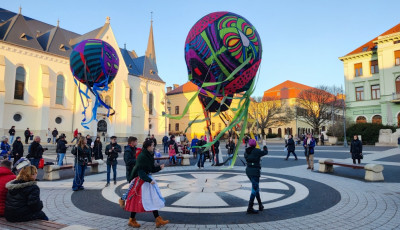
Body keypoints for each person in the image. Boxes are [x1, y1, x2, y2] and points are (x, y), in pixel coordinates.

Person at [124, 139, 169, 228]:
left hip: (146, 179)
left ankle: (158, 219)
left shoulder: (149, 155)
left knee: (152, 198)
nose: (153, 147)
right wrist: (149, 180)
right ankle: (132, 220)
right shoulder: (142, 156)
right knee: (136, 201)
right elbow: (140, 171)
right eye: (152, 145)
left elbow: (151, 169)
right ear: (148, 147)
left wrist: (159, 167)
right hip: (141, 181)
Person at [244, 139, 268, 214]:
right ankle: (250, 207)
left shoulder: (246, 152)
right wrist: (264, 145)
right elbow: (265, 152)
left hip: (248, 171)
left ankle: (260, 205)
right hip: (255, 171)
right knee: (254, 189)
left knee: (256, 188)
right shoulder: (256, 151)